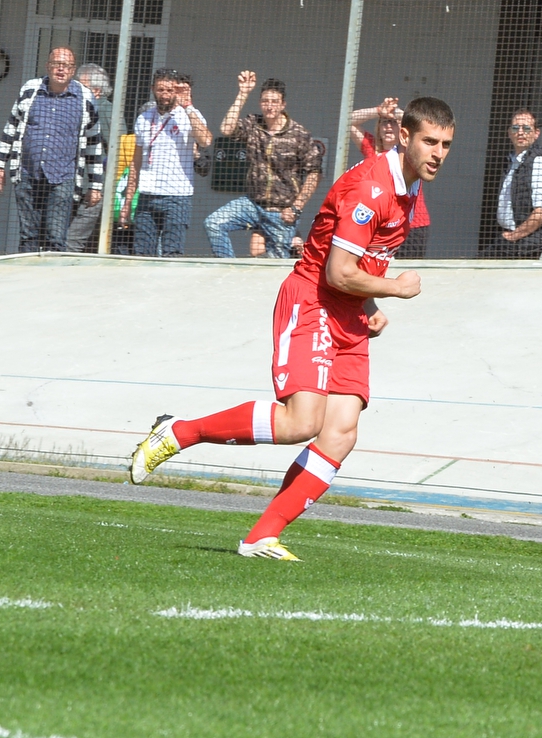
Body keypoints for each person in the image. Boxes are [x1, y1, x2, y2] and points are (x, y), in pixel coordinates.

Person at [128, 96, 455, 561]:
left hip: (348, 312)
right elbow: (336, 272)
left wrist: (371, 301)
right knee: (301, 422)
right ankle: (180, 433)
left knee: (341, 432)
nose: (438, 153)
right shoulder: (371, 189)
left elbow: (359, 264)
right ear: (404, 136)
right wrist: (395, 289)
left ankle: (261, 535)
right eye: (430, 141)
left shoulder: (409, 186)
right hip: (314, 302)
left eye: (445, 144)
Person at [0, 47, 104, 252]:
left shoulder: (85, 98)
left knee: (56, 237)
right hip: (27, 173)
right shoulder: (30, 90)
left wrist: (95, 185)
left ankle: (51, 281)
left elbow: (94, 144)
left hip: (64, 177)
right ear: (47, 66)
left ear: (73, 70)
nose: (61, 69)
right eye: (56, 64)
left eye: (66, 65)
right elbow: (11, 128)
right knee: (28, 236)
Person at [204, 72, 321, 258]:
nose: (270, 106)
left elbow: (314, 173)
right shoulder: (253, 124)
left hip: (281, 211)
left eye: (275, 102)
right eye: (265, 101)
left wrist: (296, 207)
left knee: (276, 263)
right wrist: (243, 93)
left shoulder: (299, 134)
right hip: (252, 204)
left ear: (283, 105)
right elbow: (226, 129)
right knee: (214, 222)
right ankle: (228, 267)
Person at [122, 69, 213, 256]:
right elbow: (136, 162)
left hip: (177, 196)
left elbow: (206, 140)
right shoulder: (144, 118)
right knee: (142, 253)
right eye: (161, 90)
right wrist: (128, 201)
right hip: (147, 194)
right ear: (153, 89)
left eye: (170, 91)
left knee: (172, 253)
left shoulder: (189, 115)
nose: (165, 95)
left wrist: (187, 106)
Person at [349, 96, 430, 258]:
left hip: (413, 225)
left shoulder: (409, 149)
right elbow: (348, 121)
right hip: (382, 224)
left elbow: (423, 126)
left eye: (393, 122)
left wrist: (396, 112)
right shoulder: (372, 149)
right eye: (384, 122)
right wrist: (379, 111)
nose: (388, 126)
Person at [490, 109, 542, 259]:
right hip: (511, 241)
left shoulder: (539, 162)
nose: (520, 132)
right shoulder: (511, 161)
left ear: (536, 133)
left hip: (528, 245)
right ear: (509, 132)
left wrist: (514, 236)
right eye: (516, 128)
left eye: (526, 128)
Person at [65, 63, 113, 253]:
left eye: (81, 85)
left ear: (97, 91)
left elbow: (117, 149)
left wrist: (101, 182)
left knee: (73, 241)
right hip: (72, 183)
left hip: (92, 186)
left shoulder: (106, 109)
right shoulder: (77, 106)